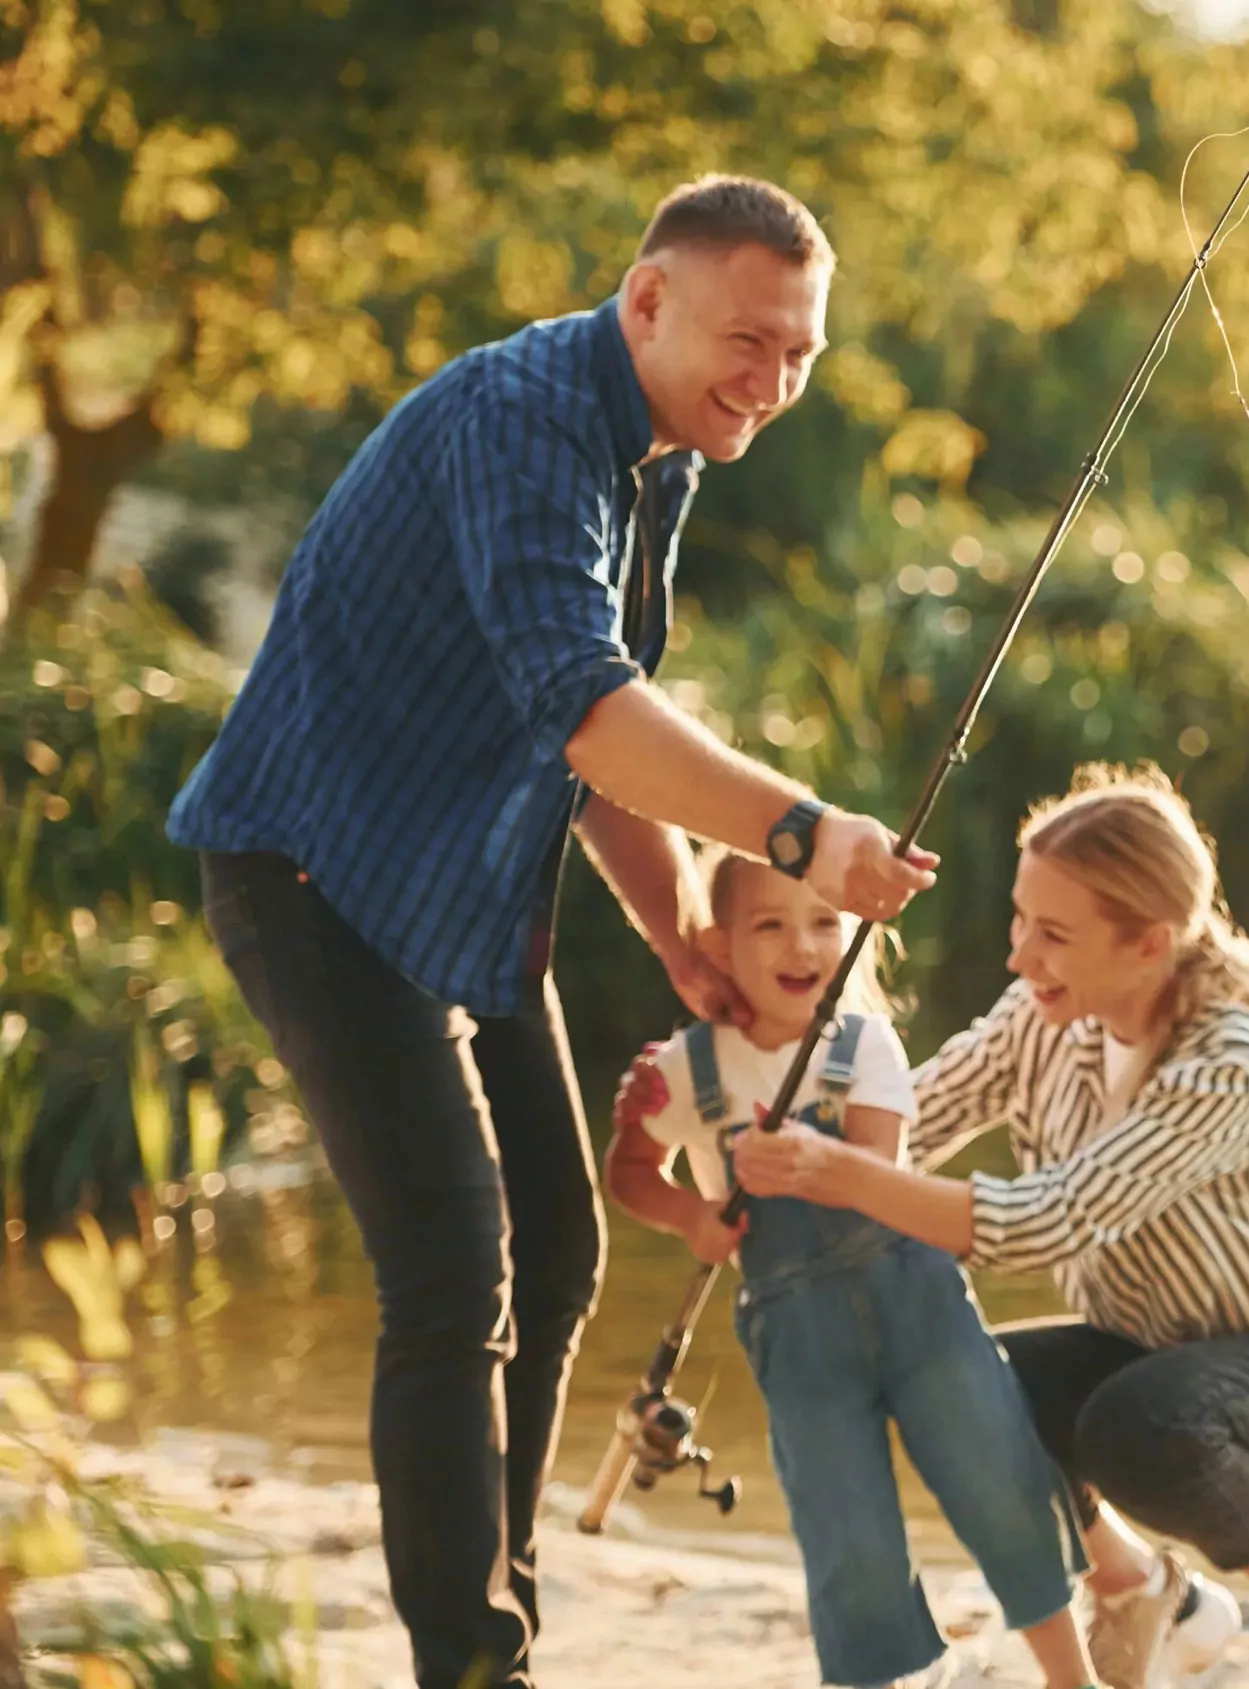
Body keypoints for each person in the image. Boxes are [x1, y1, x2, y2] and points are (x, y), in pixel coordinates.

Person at [167, 175, 936, 1689]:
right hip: (318, 877)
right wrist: (800, 836)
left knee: (565, 1246)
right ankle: (473, 1664)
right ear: (647, 300)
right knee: (455, 1279)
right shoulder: (525, 419)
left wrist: (676, 934)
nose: (772, 383)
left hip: (461, 879)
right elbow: (588, 703)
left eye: (799, 356)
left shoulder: (655, 452)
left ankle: (495, 1618)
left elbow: (588, 746)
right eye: (748, 340)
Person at [725, 767, 1249, 1689]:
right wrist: (771, 1144)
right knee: (952, 1383)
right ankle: (1146, 1593)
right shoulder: (1044, 1013)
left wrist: (841, 1174)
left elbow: (1044, 1219)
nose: (1020, 955)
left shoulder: (1230, 1057)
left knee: (1143, 1420)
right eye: (1020, 920)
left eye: (1052, 934)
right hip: (1153, 1348)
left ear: (1148, 945)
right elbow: (904, 1118)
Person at [605, 847, 1095, 1689]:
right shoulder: (685, 1067)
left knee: (997, 1477)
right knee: (847, 1533)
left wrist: (798, 1159)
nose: (803, 946)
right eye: (771, 926)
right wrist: (691, 1215)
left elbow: (878, 1168)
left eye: (824, 922)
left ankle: (1070, 1676)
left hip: (915, 1301)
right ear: (718, 948)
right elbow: (628, 1169)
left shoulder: (865, 1043)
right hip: (797, 1332)